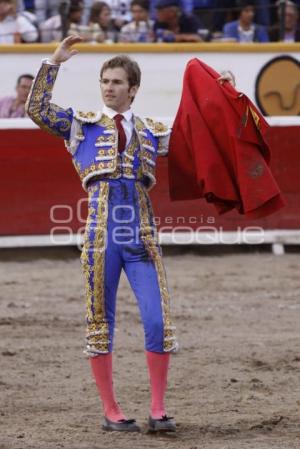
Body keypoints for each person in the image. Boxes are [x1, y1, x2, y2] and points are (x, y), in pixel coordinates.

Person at [25, 35, 234, 433]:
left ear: (133, 88)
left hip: (142, 236)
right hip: (100, 237)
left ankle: (158, 410)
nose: (108, 87)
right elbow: (36, 108)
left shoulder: (154, 131)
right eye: (105, 80)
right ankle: (112, 411)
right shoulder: (80, 125)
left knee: (158, 322)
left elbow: (201, 136)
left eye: (117, 81)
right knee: (99, 322)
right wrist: (55, 61)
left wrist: (220, 91)